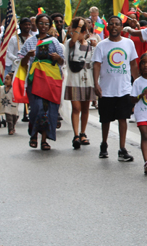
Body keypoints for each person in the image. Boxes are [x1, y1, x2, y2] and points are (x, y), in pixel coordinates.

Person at [93, 15, 139, 161]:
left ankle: (122, 148)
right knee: (105, 120)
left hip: (124, 88)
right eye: (111, 24)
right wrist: (96, 83)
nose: (114, 26)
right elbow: (97, 65)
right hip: (106, 89)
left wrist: (137, 83)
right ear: (108, 27)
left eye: (117, 24)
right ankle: (104, 144)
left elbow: (133, 64)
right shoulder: (102, 45)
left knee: (122, 118)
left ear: (121, 27)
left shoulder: (129, 43)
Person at [19, 13, 65, 151]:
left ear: (49, 26)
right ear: (36, 25)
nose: (43, 26)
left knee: (48, 110)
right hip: (35, 80)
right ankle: (33, 133)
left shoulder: (55, 42)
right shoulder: (30, 41)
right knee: (37, 109)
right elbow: (20, 62)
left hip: (51, 80)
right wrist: (27, 56)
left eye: (46, 24)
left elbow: (63, 61)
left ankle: (44, 140)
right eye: (41, 23)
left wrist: (57, 58)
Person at [65, 17, 97, 149]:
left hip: (87, 80)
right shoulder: (70, 44)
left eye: (81, 31)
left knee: (85, 108)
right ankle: (76, 135)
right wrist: (78, 25)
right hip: (74, 79)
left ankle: (83, 133)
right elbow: (73, 40)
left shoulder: (91, 45)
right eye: (76, 31)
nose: (77, 33)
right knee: (76, 108)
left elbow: (94, 64)